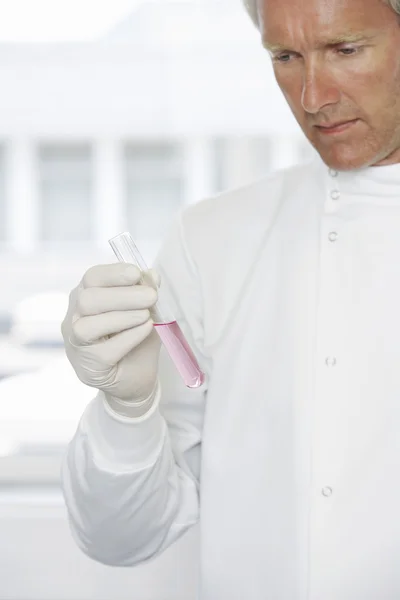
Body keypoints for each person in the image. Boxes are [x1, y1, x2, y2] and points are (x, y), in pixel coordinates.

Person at [60, 0, 400, 598]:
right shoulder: (212, 239)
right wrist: (127, 410)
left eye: (345, 50)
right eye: (285, 57)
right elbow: (121, 539)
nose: (313, 96)